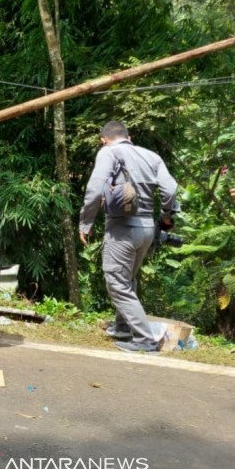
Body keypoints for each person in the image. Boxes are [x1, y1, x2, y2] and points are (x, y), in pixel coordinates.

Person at [79, 121, 179, 352]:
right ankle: (122, 326)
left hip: (122, 229)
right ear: (129, 137)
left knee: (116, 281)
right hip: (146, 228)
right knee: (127, 279)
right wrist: (166, 215)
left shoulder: (108, 152)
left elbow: (95, 188)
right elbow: (170, 188)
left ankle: (144, 340)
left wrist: (85, 222)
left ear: (103, 139)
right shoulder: (151, 156)